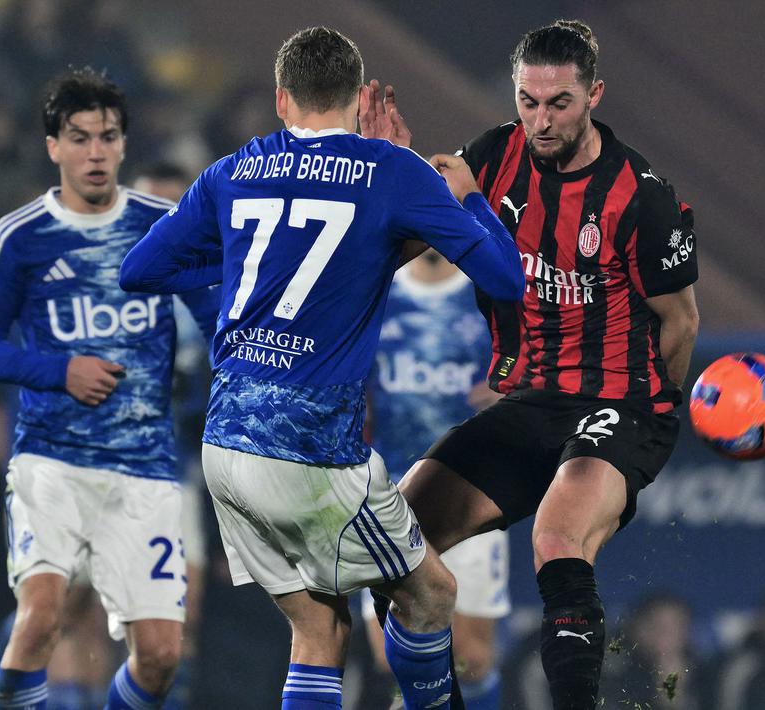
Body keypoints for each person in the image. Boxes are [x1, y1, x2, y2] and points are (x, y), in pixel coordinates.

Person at [119, 26, 524, 709]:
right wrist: (471, 197)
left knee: (317, 630)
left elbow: (140, 269)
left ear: (281, 100)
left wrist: (254, 265)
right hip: (311, 456)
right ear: (356, 94)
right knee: (431, 597)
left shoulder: (232, 170)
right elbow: (506, 281)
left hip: (225, 447)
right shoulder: (391, 173)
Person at [381, 20, 700, 709]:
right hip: (530, 401)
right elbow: (410, 232)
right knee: (392, 542)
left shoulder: (641, 196)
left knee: (556, 536)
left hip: (622, 402)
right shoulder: (495, 155)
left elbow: (680, 320)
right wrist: (389, 173)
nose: (540, 119)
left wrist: (652, 426)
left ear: (593, 96)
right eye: (528, 101)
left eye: (557, 103)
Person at [0, 67, 219, 710]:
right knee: (43, 617)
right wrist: (59, 371)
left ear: (124, 144)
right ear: (53, 147)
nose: (95, 152)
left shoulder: (166, 226)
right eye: (79, 138)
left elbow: (219, 318)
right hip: (53, 463)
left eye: (106, 137)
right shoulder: (18, 237)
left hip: (146, 470)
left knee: (159, 655)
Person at [360, 249, 509, 709]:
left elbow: (530, 372)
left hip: (471, 489)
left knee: (470, 658)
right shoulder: (376, 290)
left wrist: (510, 391)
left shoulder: (489, 292)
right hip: (388, 491)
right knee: (392, 656)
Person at [600, 593, 698, 710]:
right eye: (659, 627)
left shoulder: (702, 674)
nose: (667, 637)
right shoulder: (613, 670)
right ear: (638, 629)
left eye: (677, 628)